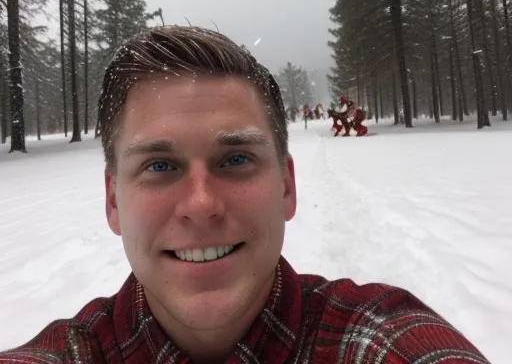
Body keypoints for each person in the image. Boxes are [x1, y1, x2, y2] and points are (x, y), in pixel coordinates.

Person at [0, 26, 489, 363]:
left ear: (287, 186)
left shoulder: (380, 343)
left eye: (235, 160)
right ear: (112, 201)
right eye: (160, 166)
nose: (200, 204)